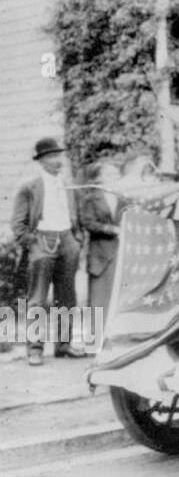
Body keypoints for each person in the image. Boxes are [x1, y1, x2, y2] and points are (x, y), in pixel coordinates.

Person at [10, 138, 84, 365]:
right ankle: (34, 349)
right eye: (52, 156)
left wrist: (75, 239)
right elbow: (18, 225)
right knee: (38, 299)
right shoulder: (29, 187)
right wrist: (33, 243)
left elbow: (75, 216)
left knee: (67, 298)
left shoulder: (67, 184)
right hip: (42, 241)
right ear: (41, 160)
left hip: (67, 240)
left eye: (59, 156)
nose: (57, 161)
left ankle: (64, 345)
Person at [79, 159, 122, 323]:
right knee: (98, 299)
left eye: (116, 173)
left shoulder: (121, 197)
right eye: (110, 174)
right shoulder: (91, 198)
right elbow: (88, 223)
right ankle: (93, 341)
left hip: (118, 252)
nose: (115, 176)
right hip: (100, 254)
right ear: (99, 178)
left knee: (114, 297)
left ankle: (109, 338)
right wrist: (111, 229)